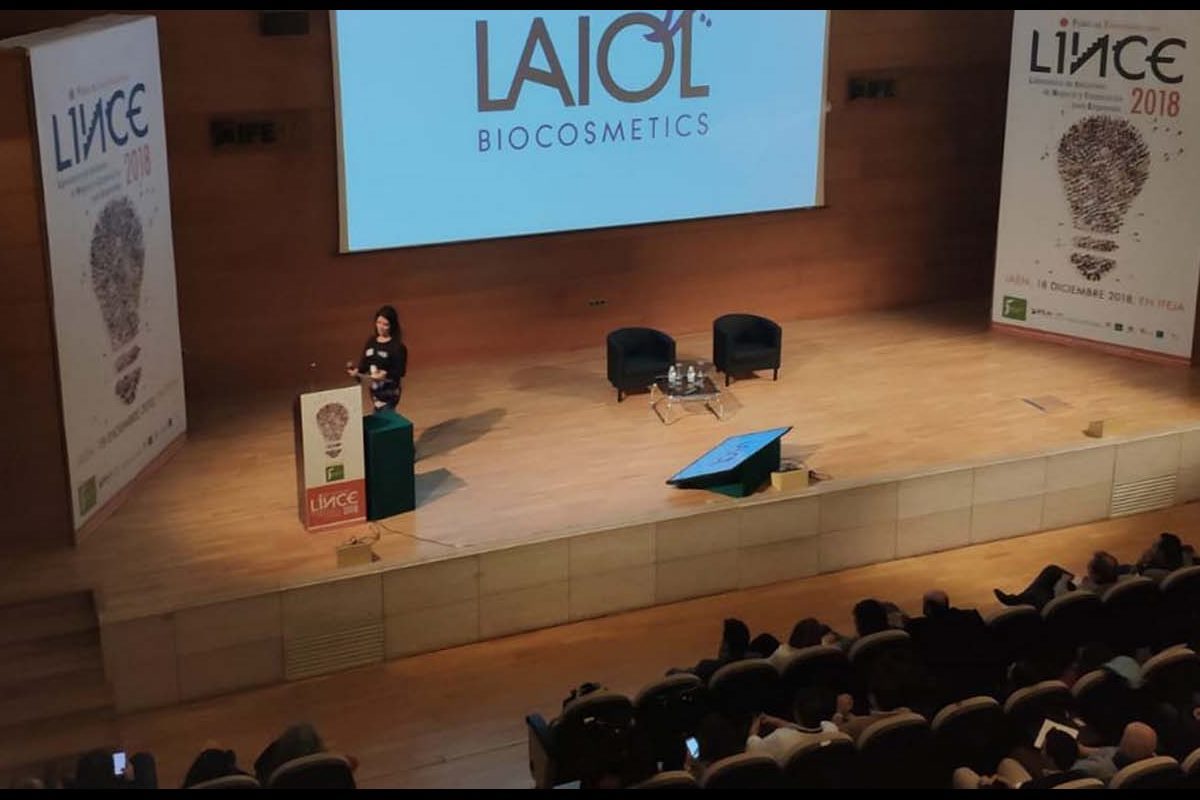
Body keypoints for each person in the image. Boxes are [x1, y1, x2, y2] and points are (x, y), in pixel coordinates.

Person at [346, 305, 407, 412]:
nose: (381, 327)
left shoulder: (397, 347)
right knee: (379, 413)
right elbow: (365, 363)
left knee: (385, 414)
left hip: (390, 392)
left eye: (385, 324)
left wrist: (385, 374)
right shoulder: (371, 342)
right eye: (378, 322)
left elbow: (400, 371)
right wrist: (357, 371)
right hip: (375, 391)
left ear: (392, 326)